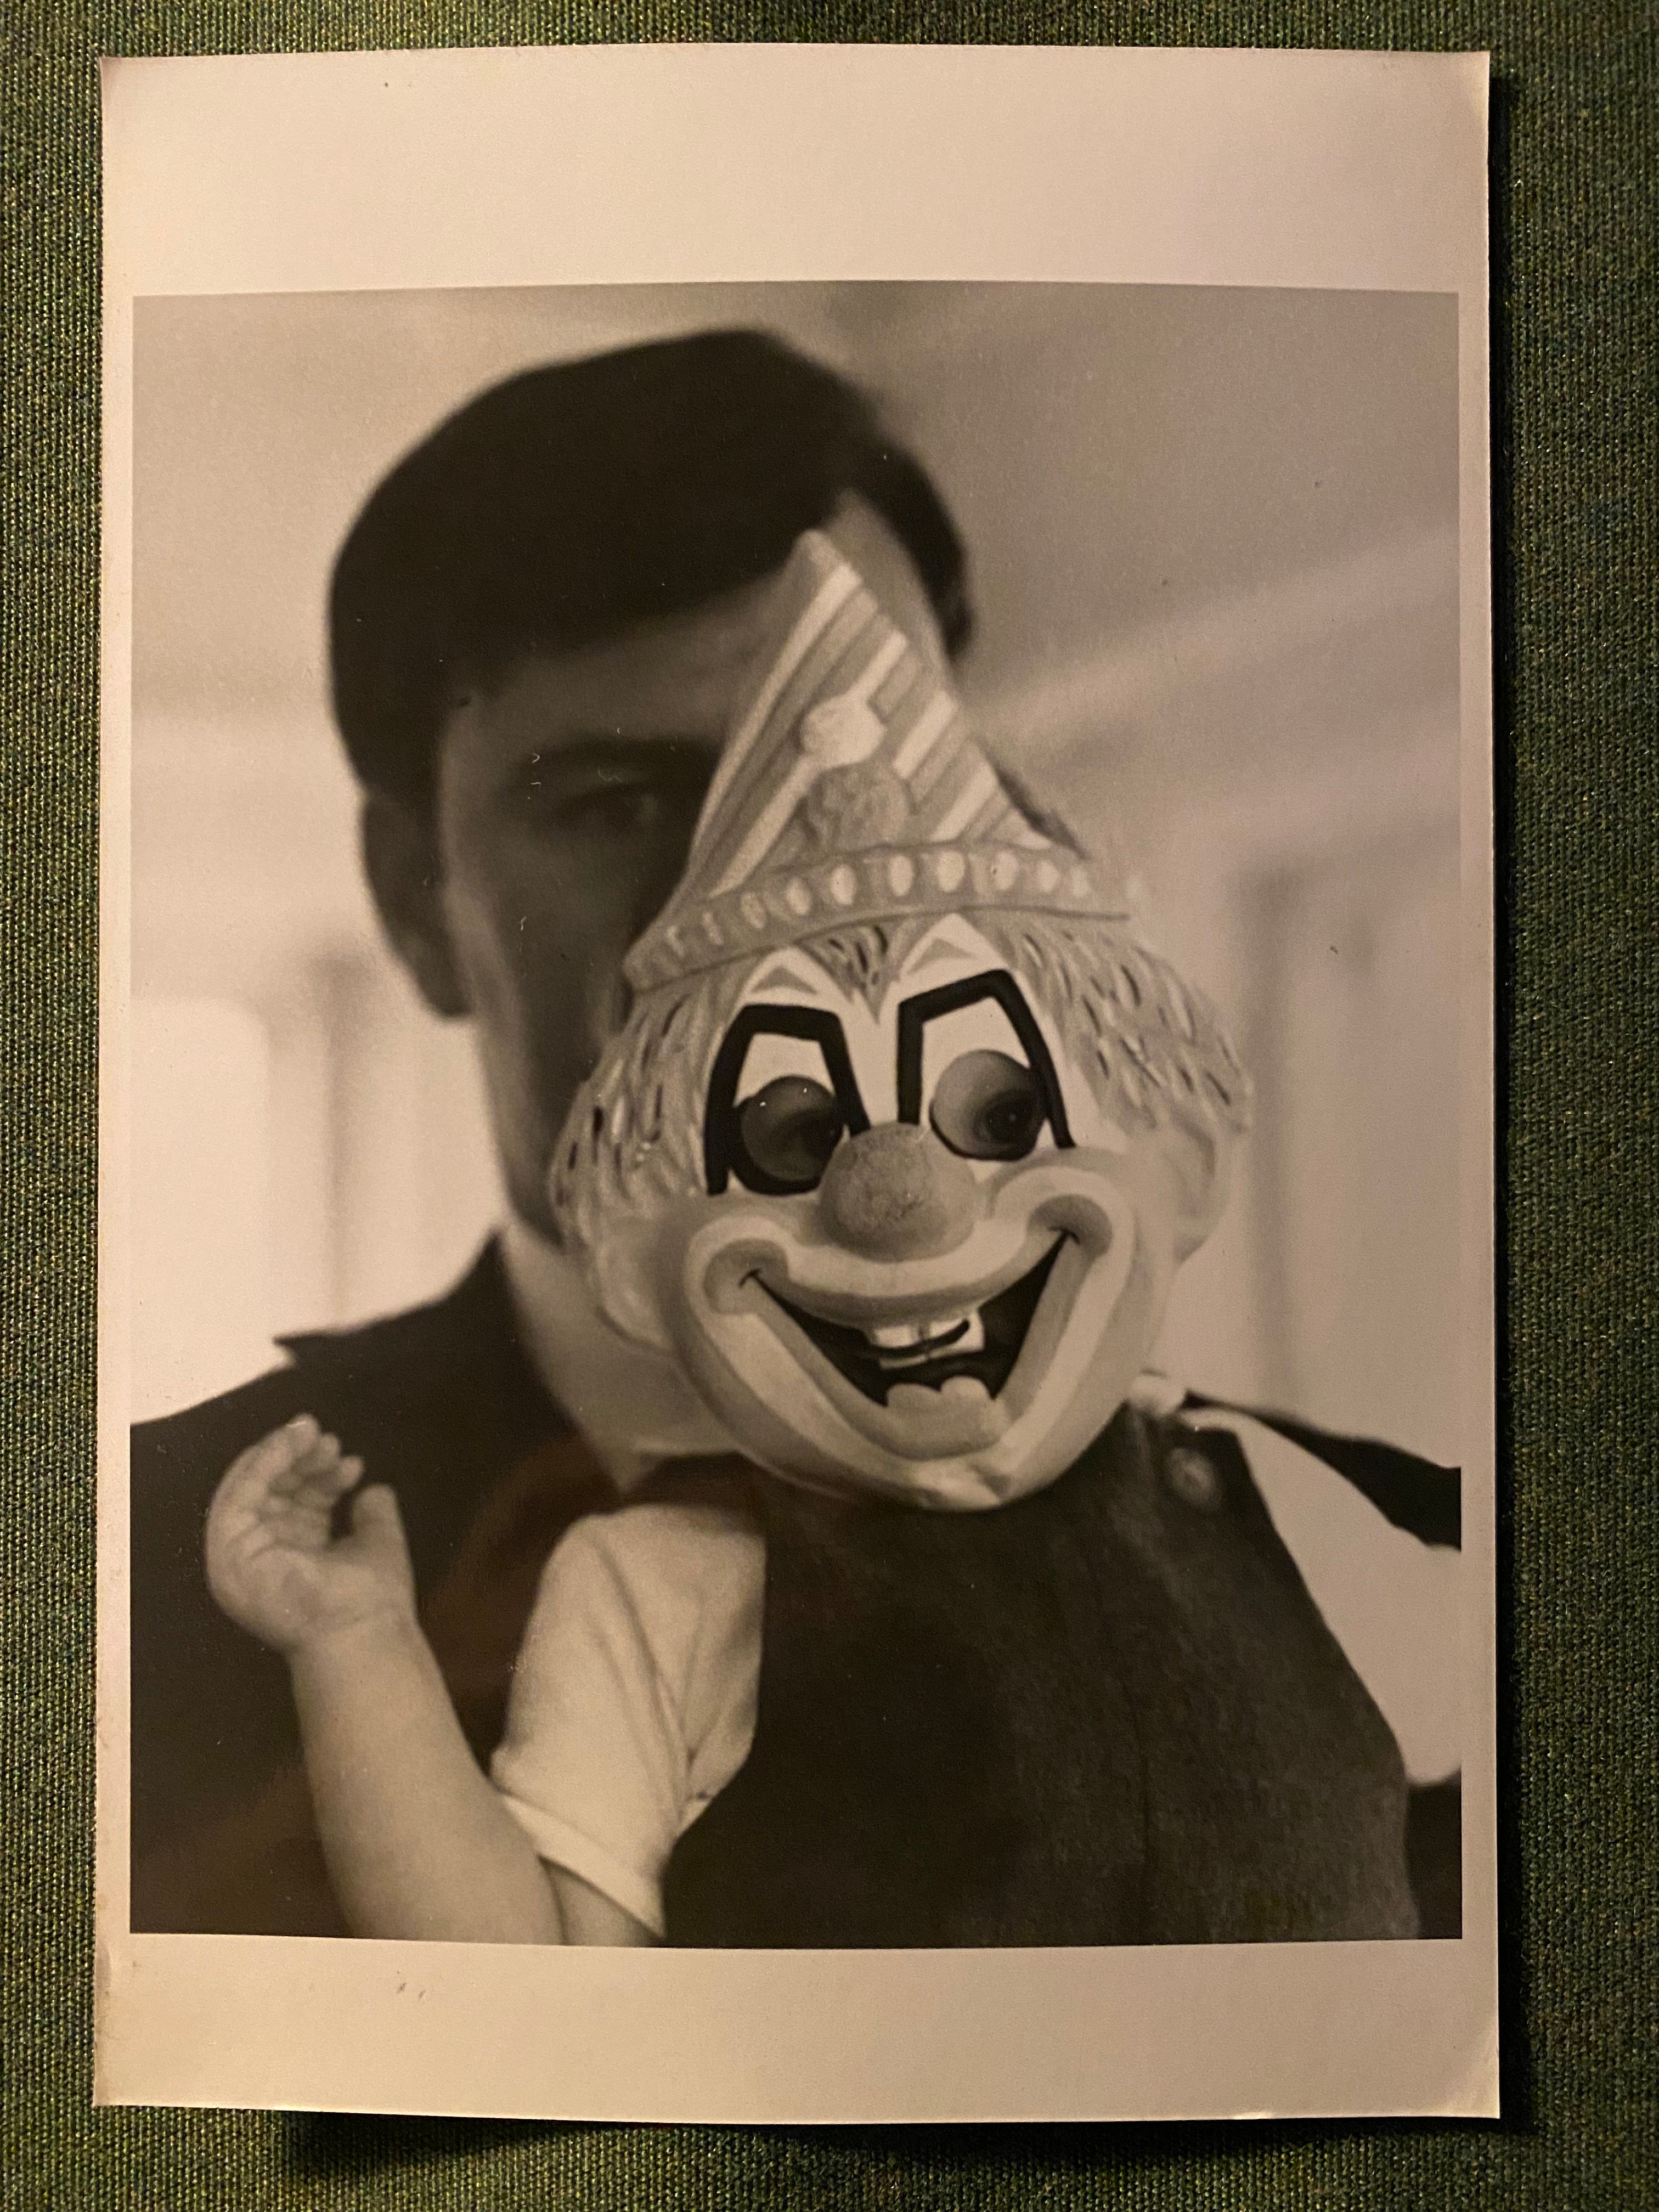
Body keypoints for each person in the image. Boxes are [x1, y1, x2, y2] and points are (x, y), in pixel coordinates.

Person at [131, 329, 1461, 1940]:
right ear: (417, 904)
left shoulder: (1339, 1557)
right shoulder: (129, 1584)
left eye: (864, 758)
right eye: (619, 802)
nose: (755, 892)